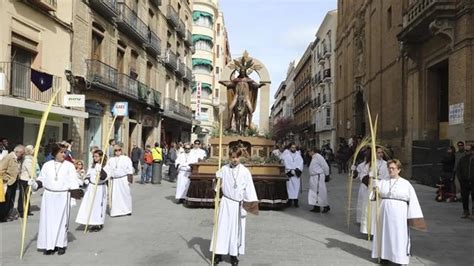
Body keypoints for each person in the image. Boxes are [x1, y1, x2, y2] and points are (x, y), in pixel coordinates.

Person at [29, 143, 83, 255]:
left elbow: (73, 181)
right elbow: (42, 179)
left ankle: (60, 244)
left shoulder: (69, 165)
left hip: (63, 196)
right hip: (49, 196)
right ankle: (49, 246)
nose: (64, 154)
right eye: (61, 152)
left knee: (61, 221)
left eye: (65, 152)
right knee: (48, 221)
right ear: (55, 153)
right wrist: (34, 184)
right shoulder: (47, 165)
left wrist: (74, 196)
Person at [371, 159, 426, 265]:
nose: (390, 170)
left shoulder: (406, 184)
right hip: (384, 214)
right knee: (384, 235)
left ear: (399, 170)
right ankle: (384, 256)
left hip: (399, 215)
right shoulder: (382, 181)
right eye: (389, 168)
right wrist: (374, 188)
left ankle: (399, 258)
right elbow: (374, 198)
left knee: (398, 236)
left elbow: (413, 201)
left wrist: (414, 219)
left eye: (393, 168)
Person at [210, 147, 258, 266]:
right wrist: (216, 179)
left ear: (240, 157)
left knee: (236, 231)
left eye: (237, 157)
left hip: (238, 204)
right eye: (232, 157)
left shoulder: (245, 171)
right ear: (229, 157)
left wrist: (248, 206)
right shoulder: (224, 169)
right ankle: (218, 254)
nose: (234, 160)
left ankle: (233, 255)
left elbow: (250, 189)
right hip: (226, 203)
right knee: (222, 229)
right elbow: (216, 186)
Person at [76, 149, 109, 232]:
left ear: (101, 157)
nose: (94, 158)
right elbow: (89, 174)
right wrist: (87, 180)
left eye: (96, 156)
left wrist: (100, 169)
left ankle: (98, 223)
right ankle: (90, 221)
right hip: (91, 187)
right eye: (93, 156)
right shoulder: (92, 165)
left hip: (100, 188)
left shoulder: (106, 166)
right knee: (90, 205)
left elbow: (105, 177)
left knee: (98, 206)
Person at [359, 147, 390, 235]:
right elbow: (362, 175)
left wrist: (381, 183)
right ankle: (369, 230)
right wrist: (370, 177)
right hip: (371, 190)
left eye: (381, 153)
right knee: (369, 210)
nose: (380, 154)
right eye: (378, 152)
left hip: (381, 190)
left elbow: (388, 177)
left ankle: (378, 231)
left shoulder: (386, 164)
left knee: (379, 211)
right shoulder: (369, 164)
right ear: (374, 153)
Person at [107, 145, 134, 217]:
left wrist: (129, 180)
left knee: (126, 194)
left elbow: (130, 169)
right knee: (115, 196)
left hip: (124, 179)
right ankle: (116, 211)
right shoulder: (111, 160)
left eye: (119, 150)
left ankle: (127, 210)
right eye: (115, 150)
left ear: (121, 151)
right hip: (114, 180)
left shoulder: (126, 158)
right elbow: (107, 169)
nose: (117, 151)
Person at [0, 145, 25, 222]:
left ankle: (7, 215)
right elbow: (1, 170)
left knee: (11, 200)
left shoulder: (18, 159)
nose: (23, 155)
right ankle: (2, 216)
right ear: (17, 152)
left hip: (14, 182)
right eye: (22, 153)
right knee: (5, 201)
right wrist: (7, 179)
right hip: (7, 183)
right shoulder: (9, 157)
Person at [308, 147, 331, 213]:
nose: (308, 153)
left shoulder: (318, 157)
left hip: (318, 176)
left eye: (309, 151)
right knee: (314, 192)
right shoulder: (313, 157)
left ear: (313, 151)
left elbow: (325, 166)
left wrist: (327, 175)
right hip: (313, 177)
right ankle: (316, 206)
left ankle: (326, 206)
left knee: (320, 191)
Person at [18, 145, 39, 217]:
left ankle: (27, 210)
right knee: (23, 197)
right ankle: (21, 211)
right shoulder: (28, 160)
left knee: (27, 196)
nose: (34, 150)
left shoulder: (30, 159)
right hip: (25, 180)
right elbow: (31, 172)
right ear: (30, 151)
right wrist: (36, 179)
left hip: (27, 180)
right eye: (33, 149)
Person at [281, 143, 304, 207]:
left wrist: (296, 170)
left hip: (296, 174)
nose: (293, 148)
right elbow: (285, 163)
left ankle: (296, 201)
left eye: (294, 147)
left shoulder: (298, 155)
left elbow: (301, 163)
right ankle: (290, 201)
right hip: (290, 173)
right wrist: (290, 170)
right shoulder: (287, 155)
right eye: (292, 147)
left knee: (296, 188)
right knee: (289, 187)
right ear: (290, 148)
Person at [456, 144, 474, 219]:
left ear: (472, 151)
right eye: (465, 150)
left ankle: (473, 212)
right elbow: (458, 170)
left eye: (467, 150)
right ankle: (466, 211)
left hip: (473, 181)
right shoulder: (462, 159)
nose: (465, 152)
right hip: (464, 181)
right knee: (465, 197)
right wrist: (460, 179)